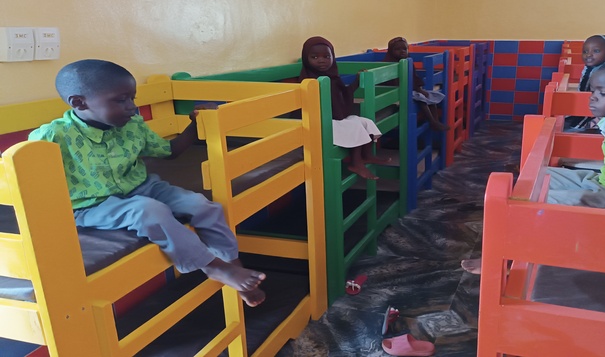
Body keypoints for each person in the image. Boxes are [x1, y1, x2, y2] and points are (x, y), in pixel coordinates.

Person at [28, 59, 266, 307]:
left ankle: (232, 264)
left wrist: (195, 124)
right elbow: (24, 174)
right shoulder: (52, 136)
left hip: (142, 186)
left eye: (132, 98)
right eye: (121, 100)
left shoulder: (132, 125)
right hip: (91, 205)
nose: (132, 107)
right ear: (79, 102)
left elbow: (170, 151)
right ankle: (214, 267)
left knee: (202, 205)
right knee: (149, 211)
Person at [462, 59, 605, 275]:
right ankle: (512, 229)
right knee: (535, 177)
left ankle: (506, 258)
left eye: (603, 93)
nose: (593, 98)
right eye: (593, 91)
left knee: (543, 201)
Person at [299, 36, 390, 180]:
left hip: (335, 118)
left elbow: (344, 95)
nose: (321, 60)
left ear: (333, 57)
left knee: (364, 122)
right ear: (306, 59)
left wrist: (356, 81)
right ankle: (355, 163)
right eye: (314, 57)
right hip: (319, 121)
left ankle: (367, 155)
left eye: (326, 56)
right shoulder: (309, 80)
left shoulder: (332, 77)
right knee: (354, 126)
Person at [384, 37, 449, 132]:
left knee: (430, 97)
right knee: (421, 99)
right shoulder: (389, 64)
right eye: (397, 49)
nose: (402, 51)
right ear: (390, 51)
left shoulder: (408, 61)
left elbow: (413, 78)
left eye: (404, 49)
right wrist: (414, 91)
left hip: (409, 89)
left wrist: (419, 89)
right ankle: (432, 122)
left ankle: (436, 121)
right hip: (396, 93)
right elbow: (392, 84)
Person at [564, 34, 605, 130]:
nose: (588, 54)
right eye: (585, 51)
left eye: (596, 51)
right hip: (586, 108)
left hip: (600, 116)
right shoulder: (590, 69)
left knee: (569, 129)